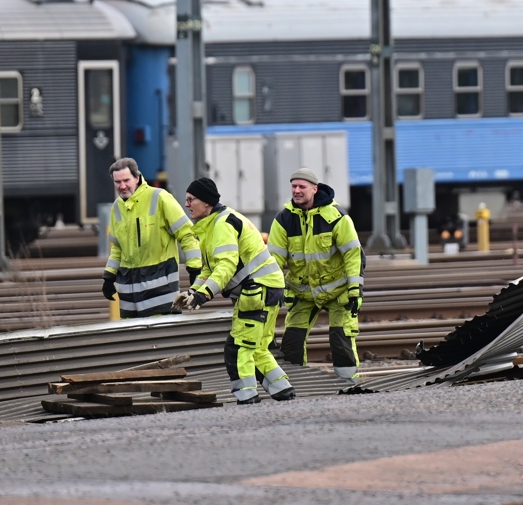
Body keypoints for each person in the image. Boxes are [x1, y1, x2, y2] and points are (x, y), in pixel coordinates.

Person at [175, 177, 294, 404]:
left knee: (238, 347)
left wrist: (204, 295)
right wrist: (192, 291)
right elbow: (209, 268)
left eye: (191, 199)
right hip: (267, 288)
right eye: (186, 199)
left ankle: (246, 397)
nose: (187, 204)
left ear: (207, 203)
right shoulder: (214, 224)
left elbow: (226, 266)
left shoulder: (221, 225)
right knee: (256, 347)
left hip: (257, 290)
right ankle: (282, 389)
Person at [268, 167, 364, 385]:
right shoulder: (283, 220)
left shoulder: (336, 217)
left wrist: (355, 290)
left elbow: (354, 255)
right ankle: (297, 385)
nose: (297, 190)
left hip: (337, 292)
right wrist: (279, 291)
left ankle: (349, 385)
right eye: (294, 186)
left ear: (314, 189)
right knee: (292, 341)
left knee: (341, 339)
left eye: (302, 186)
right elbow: (274, 261)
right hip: (303, 294)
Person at [102, 157, 203, 318]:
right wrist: (109, 276)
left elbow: (187, 234)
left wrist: (195, 269)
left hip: (161, 297)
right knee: (135, 342)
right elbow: (117, 248)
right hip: (130, 300)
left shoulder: (160, 197)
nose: (122, 186)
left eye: (126, 180)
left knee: (164, 340)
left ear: (137, 177)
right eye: (117, 182)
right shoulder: (117, 208)